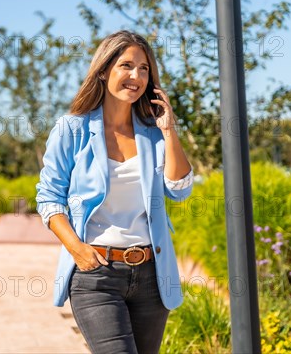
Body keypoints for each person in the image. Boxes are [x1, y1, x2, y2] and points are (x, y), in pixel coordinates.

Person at [35, 30, 194, 353]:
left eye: (144, 68)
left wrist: (169, 131)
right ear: (105, 69)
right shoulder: (73, 128)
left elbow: (179, 189)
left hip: (151, 275)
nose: (136, 76)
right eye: (126, 65)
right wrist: (77, 249)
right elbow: (49, 199)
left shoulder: (153, 134)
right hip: (97, 276)